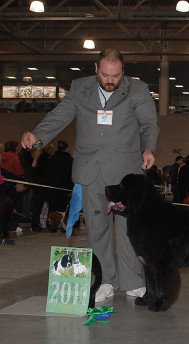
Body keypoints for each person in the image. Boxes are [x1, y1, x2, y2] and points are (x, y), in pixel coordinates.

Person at [20, 48, 159, 303]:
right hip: (90, 171)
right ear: (96, 69)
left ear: (123, 72)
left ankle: (132, 281)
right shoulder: (79, 88)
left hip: (126, 174)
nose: (110, 80)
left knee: (129, 229)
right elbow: (60, 116)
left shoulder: (138, 90)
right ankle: (106, 280)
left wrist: (149, 147)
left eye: (116, 75)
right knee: (96, 230)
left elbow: (148, 124)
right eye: (105, 74)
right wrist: (38, 135)